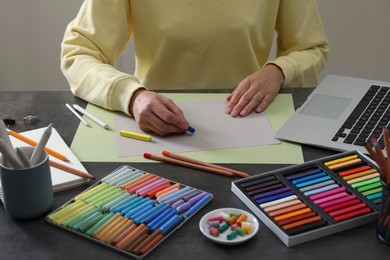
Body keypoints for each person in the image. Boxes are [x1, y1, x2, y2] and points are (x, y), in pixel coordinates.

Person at [61, 0, 328, 136]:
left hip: (251, 124)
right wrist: (132, 97)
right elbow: (79, 52)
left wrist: (279, 71)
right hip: (155, 127)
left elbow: (310, 48)